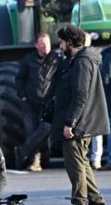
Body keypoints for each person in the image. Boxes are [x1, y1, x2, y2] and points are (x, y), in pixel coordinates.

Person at [51, 25, 108, 205]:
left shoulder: (82, 62)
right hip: (82, 123)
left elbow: (80, 95)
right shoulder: (80, 60)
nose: (60, 46)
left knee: (76, 168)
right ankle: (96, 200)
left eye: (61, 42)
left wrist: (70, 123)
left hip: (77, 126)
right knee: (83, 164)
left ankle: (80, 201)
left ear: (69, 42)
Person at [14, 32, 53, 171]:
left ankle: (23, 152)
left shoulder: (56, 59)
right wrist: (23, 96)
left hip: (48, 103)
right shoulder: (28, 60)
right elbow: (19, 79)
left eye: (47, 44)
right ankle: (35, 161)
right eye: (42, 44)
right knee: (31, 132)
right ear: (36, 45)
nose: (45, 47)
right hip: (30, 103)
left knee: (44, 130)